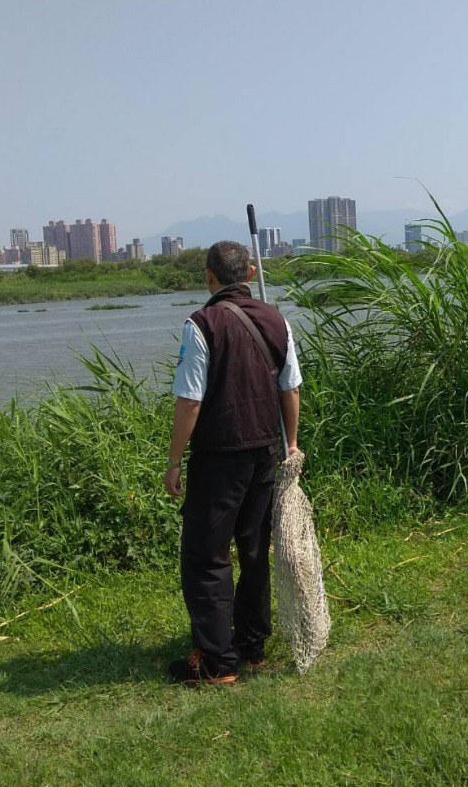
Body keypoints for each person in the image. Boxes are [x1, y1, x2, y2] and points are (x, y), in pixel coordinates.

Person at [164, 240, 302, 685]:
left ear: (208, 276)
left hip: (218, 458)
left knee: (206, 556)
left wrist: (173, 461)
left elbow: (190, 401)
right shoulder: (277, 320)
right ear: (250, 272)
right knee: (254, 550)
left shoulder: (201, 324)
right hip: (265, 453)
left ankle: (218, 662)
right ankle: (251, 645)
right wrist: (291, 445)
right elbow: (291, 388)